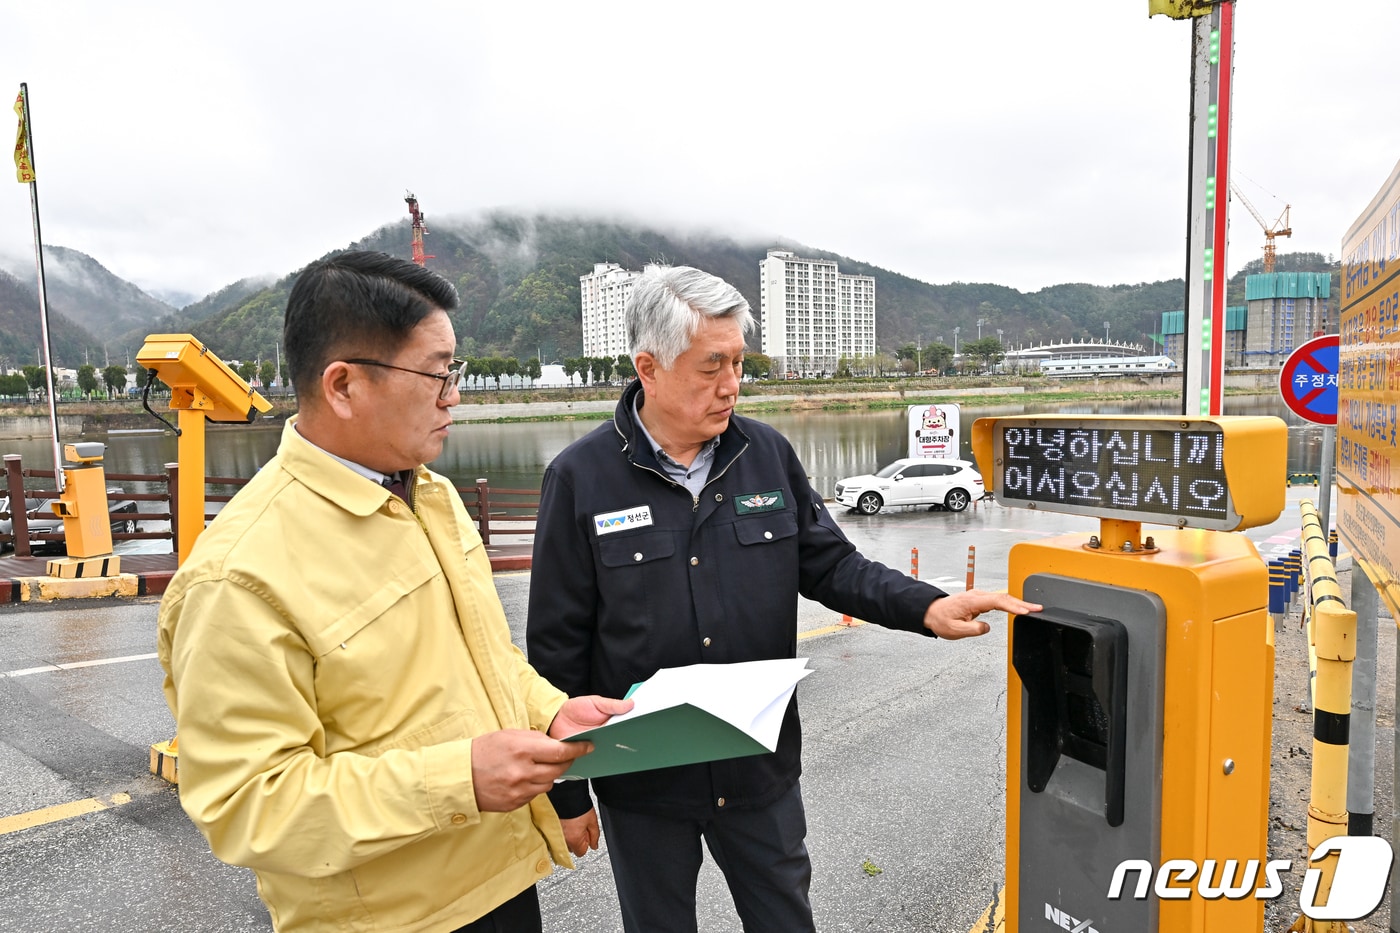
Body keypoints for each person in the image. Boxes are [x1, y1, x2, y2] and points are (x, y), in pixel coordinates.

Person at [525, 264, 1041, 932]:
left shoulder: (765, 455)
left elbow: (832, 565)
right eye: (712, 365)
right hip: (644, 784)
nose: (732, 384)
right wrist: (567, 791)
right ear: (647, 367)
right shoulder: (580, 479)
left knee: (785, 919)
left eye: (739, 362)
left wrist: (925, 605)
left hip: (755, 768)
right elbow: (555, 649)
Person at [156, 250, 631, 933]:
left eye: (454, 373)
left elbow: (482, 664)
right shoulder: (241, 573)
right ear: (344, 386)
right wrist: (458, 780)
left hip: (499, 877)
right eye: (438, 374)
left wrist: (552, 712)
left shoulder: (426, 495)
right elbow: (248, 805)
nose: (455, 396)